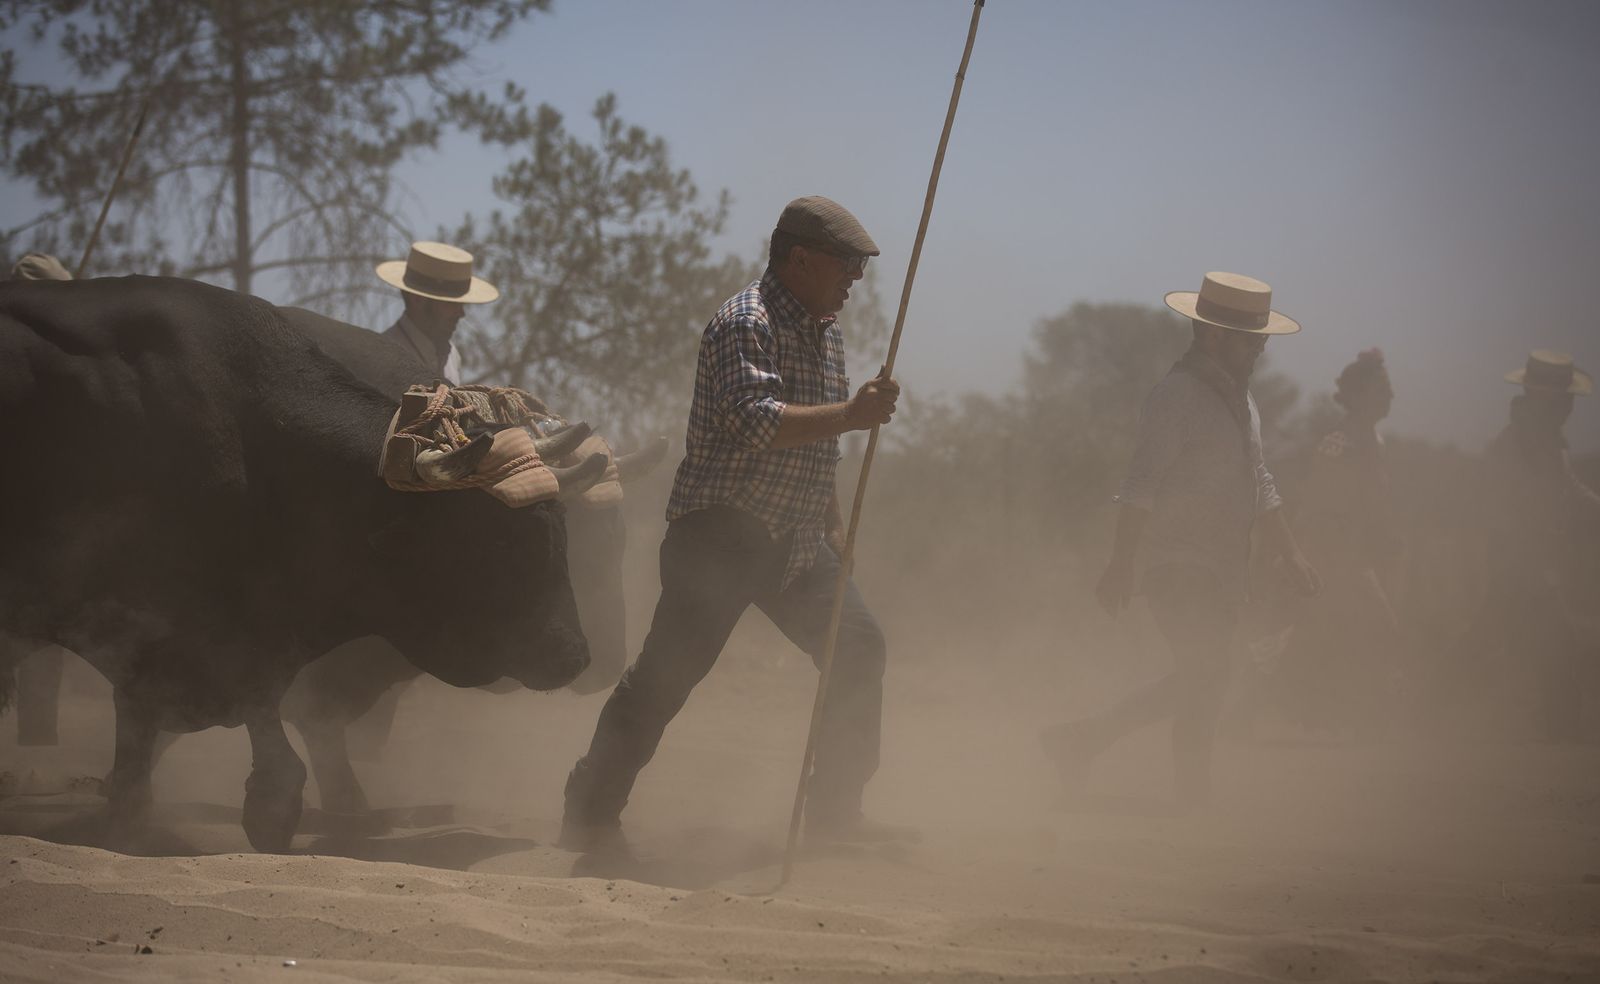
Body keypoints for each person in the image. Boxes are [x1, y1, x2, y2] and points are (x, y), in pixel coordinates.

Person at [559, 196, 905, 854]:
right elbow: (752, 422)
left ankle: (833, 812)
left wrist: (831, 517)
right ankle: (590, 806)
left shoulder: (824, 328)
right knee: (666, 678)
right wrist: (852, 415)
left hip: (796, 541)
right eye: (845, 268)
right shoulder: (744, 322)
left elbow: (816, 440)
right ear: (799, 260)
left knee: (857, 647)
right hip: (720, 535)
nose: (853, 283)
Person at [1042, 271, 1322, 808]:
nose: (1261, 346)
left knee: (1208, 682)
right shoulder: (1177, 395)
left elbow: (1259, 479)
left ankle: (1088, 744)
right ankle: (1178, 789)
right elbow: (1140, 483)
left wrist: (1291, 551)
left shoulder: (1244, 403)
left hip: (1222, 567)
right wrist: (1121, 563)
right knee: (1209, 672)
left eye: (1262, 336)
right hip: (1178, 563)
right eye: (1250, 337)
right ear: (1213, 334)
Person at [1277, 349, 1404, 735]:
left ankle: (1318, 711)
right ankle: (1355, 713)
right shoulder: (1338, 442)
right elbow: (1319, 503)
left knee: (1323, 634)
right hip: (1331, 555)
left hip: (1355, 555)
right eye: (1383, 389)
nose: (1391, 397)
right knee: (1376, 625)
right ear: (1361, 394)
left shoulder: (1374, 442)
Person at [1474, 350, 1598, 739]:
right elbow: (1506, 510)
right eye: (1564, 397)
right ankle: (1561, 734)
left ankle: (1428, 704)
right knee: (1558, 644)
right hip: (1519, 567)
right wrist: (1532, 563)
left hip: (1533, 567)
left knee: (1491, 641)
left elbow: (1569, 490)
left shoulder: (1548, 443)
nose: (1569, 406)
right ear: (1548, 398)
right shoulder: (1519, 445)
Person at [374, 241, 499, 384]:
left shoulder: (452, 356)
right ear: (417, 299)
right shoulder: (383, 356)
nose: (461, 313)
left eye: (461, 304)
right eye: (451, 303)